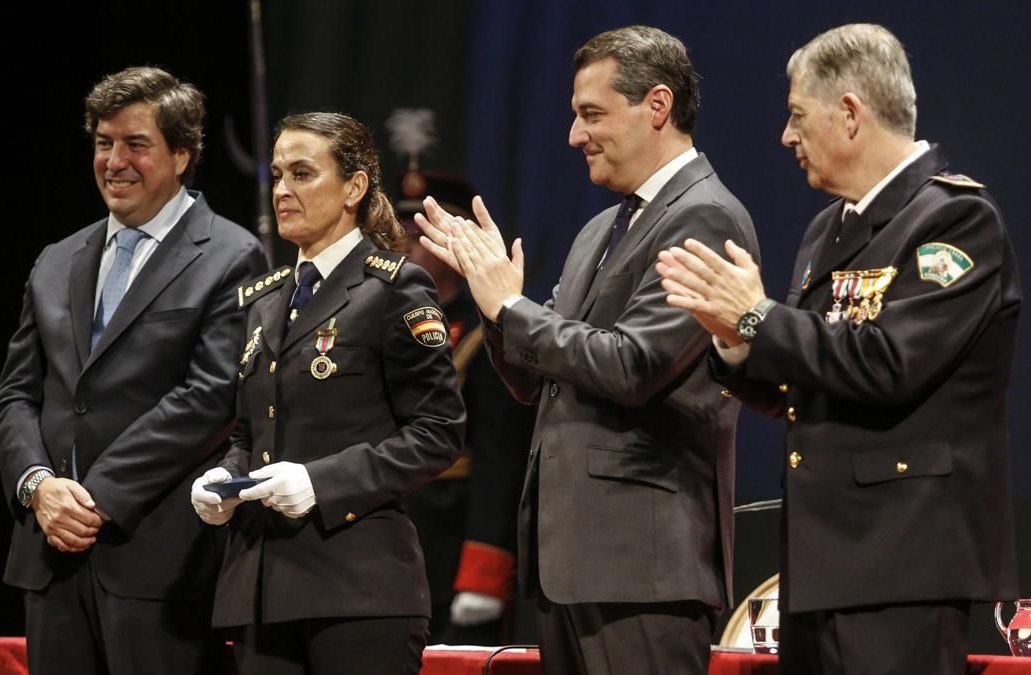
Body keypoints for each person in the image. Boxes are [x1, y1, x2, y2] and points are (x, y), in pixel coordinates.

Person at [657, 23, 1020, 674]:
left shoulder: (958, 220)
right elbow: (804, 376)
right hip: (820, 563)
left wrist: (758, 315)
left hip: (903, 564)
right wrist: (733, 337)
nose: (786, 136)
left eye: (798, 115)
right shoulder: (831, 227)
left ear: (849, 114)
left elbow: (889, 364)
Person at [416, 25, 759, 674]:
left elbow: (635, 365)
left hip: (642, 570)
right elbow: (532, 377)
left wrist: (508, 307)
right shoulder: (602, 227)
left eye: (591, 114)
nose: (575, 136)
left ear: (657, 107)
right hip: (571, 565)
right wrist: (500, 309)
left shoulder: (704, 215)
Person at [0, 66, 268, 675]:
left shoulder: (231, 254)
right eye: (102, 142)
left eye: (135, 144)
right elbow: (16, 394)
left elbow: (211, 394)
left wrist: (94, 496)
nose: (114, 161)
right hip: (51, 551)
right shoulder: (57, 258)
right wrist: (38, 486)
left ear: (181, 154)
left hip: (156, 559)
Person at [189, 112, 466, 675]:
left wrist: (321, 481)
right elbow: (251, 427)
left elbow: (439, 434)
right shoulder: (264, 299)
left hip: (357, 586)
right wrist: (227, 475)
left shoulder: (393, 286)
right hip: (261, 586)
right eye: (276, 175)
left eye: (302, 173)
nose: (282, 191)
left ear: (355, 187)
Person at [397, 171, 535, 645]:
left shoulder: (485, 327)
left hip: (454, 534)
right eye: (403, 234)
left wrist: (485, 567)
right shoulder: (387, 317)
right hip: (397, 529)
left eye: (422, 235)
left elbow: (502, 456)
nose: (409, 246)